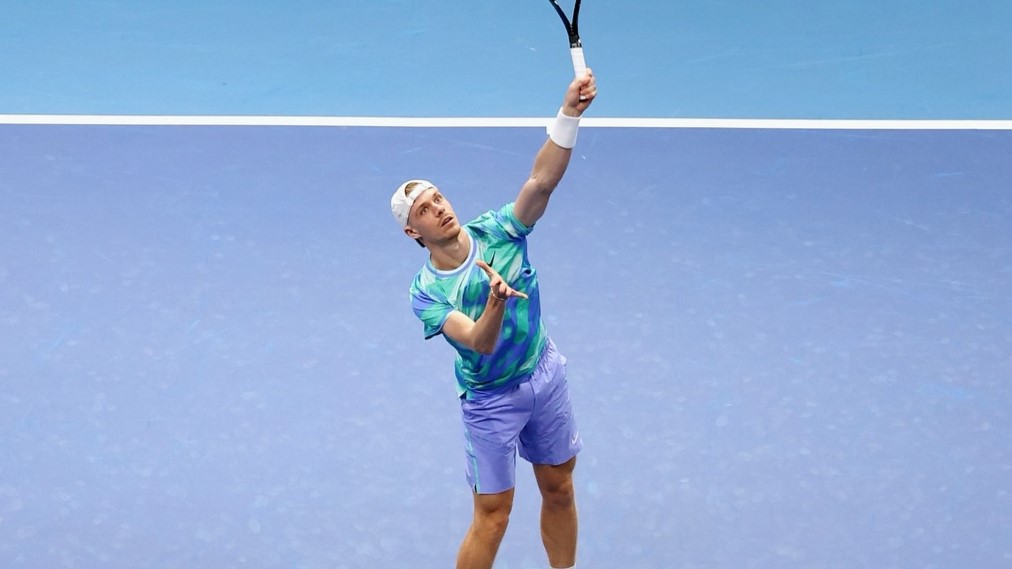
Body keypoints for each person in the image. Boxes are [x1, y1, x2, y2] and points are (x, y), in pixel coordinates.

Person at [390, 69, 597, 569]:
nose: (438, 208)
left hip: (543, 373)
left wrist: (569, 112)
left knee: (559, 488)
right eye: (423, 209)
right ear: (412, 232)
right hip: (490, 400)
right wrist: (497, 302)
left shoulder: (500, 231)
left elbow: (542, 181)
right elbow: (479, 343)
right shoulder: (428, 293)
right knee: (493, 515)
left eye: (437, 197)